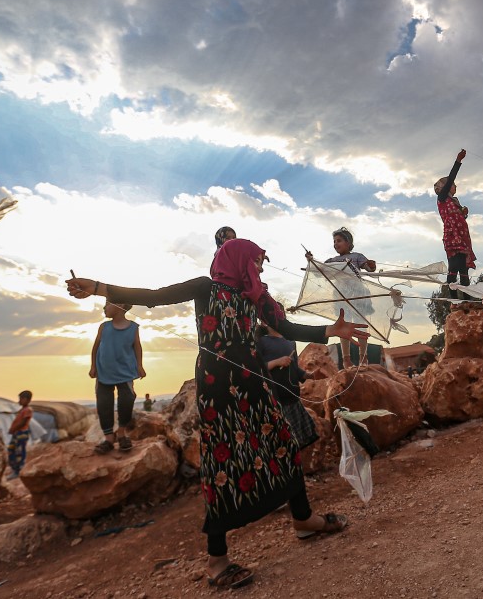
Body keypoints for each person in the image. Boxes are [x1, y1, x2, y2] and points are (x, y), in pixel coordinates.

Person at [67, 237, 367, 589]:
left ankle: (304, 520)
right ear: (239, 259)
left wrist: (330, 330)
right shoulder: (205, 288)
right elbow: (155, 295)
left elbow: (285, 327)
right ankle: (217, 561)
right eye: (258, 260)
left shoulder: (257, 297)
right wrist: (99, 287)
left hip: (255, 385)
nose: (260, 267)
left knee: (283, 445)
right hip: (219, 391)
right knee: (223, 464)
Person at [90, 301, 145, 454]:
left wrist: (140, 366)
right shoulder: (104, 327)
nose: (104, 308)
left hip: (125, 372)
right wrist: (93, 366)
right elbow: (95, 347)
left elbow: (137, 346)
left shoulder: (133, 327)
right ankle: (108, 438)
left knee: (127, 399)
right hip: (103, 372)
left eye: (107, 304)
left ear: (120, 305)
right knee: (103, 404)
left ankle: (121, 434)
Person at [256, 322, 318, 449]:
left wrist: (311, 375)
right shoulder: (261, 342)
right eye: (272, 317)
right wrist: (277, 362)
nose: (277, 319)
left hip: (293, 400)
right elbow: (257, 368)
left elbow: (296, 370)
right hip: (275, 402)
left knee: (295, 444)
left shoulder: (290, 342)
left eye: (279, 316)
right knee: (282, 445)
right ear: (264, 322)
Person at [324, 227, 376, 368]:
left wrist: (371, 265)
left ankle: (363, 358)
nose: (336, 244)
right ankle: (346, 359)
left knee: (361, 326)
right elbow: (319, 270)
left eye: (339, 240)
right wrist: (311, 260)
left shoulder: (357, 257)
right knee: (343, 326)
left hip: (358, 295)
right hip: (342, 297)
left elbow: (370, 269)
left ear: (348, 243)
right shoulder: (332, 260)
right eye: (334, 241)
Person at [435, 149, 476, 298]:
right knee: (454, 267)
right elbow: (451, 177)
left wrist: (463, 214)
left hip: (462, 237)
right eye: (453, 184)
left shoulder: (454, 202)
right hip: (453, 236)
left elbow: (457, 218)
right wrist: (458, 161)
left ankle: (466, 301)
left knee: (464, 268)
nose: (455, 186)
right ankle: (454, 301)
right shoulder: (443, 197)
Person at [7, 390, 33, 479]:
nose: (20, 401)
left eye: (21, 399)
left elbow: (23, 422)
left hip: (22, 433)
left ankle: (18, 471)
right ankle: (14, 469)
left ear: (27, 400)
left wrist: (13, 428)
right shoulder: (22, 410)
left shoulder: (27, 410)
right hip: (17, 433)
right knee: (11, 450)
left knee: (19, 452)